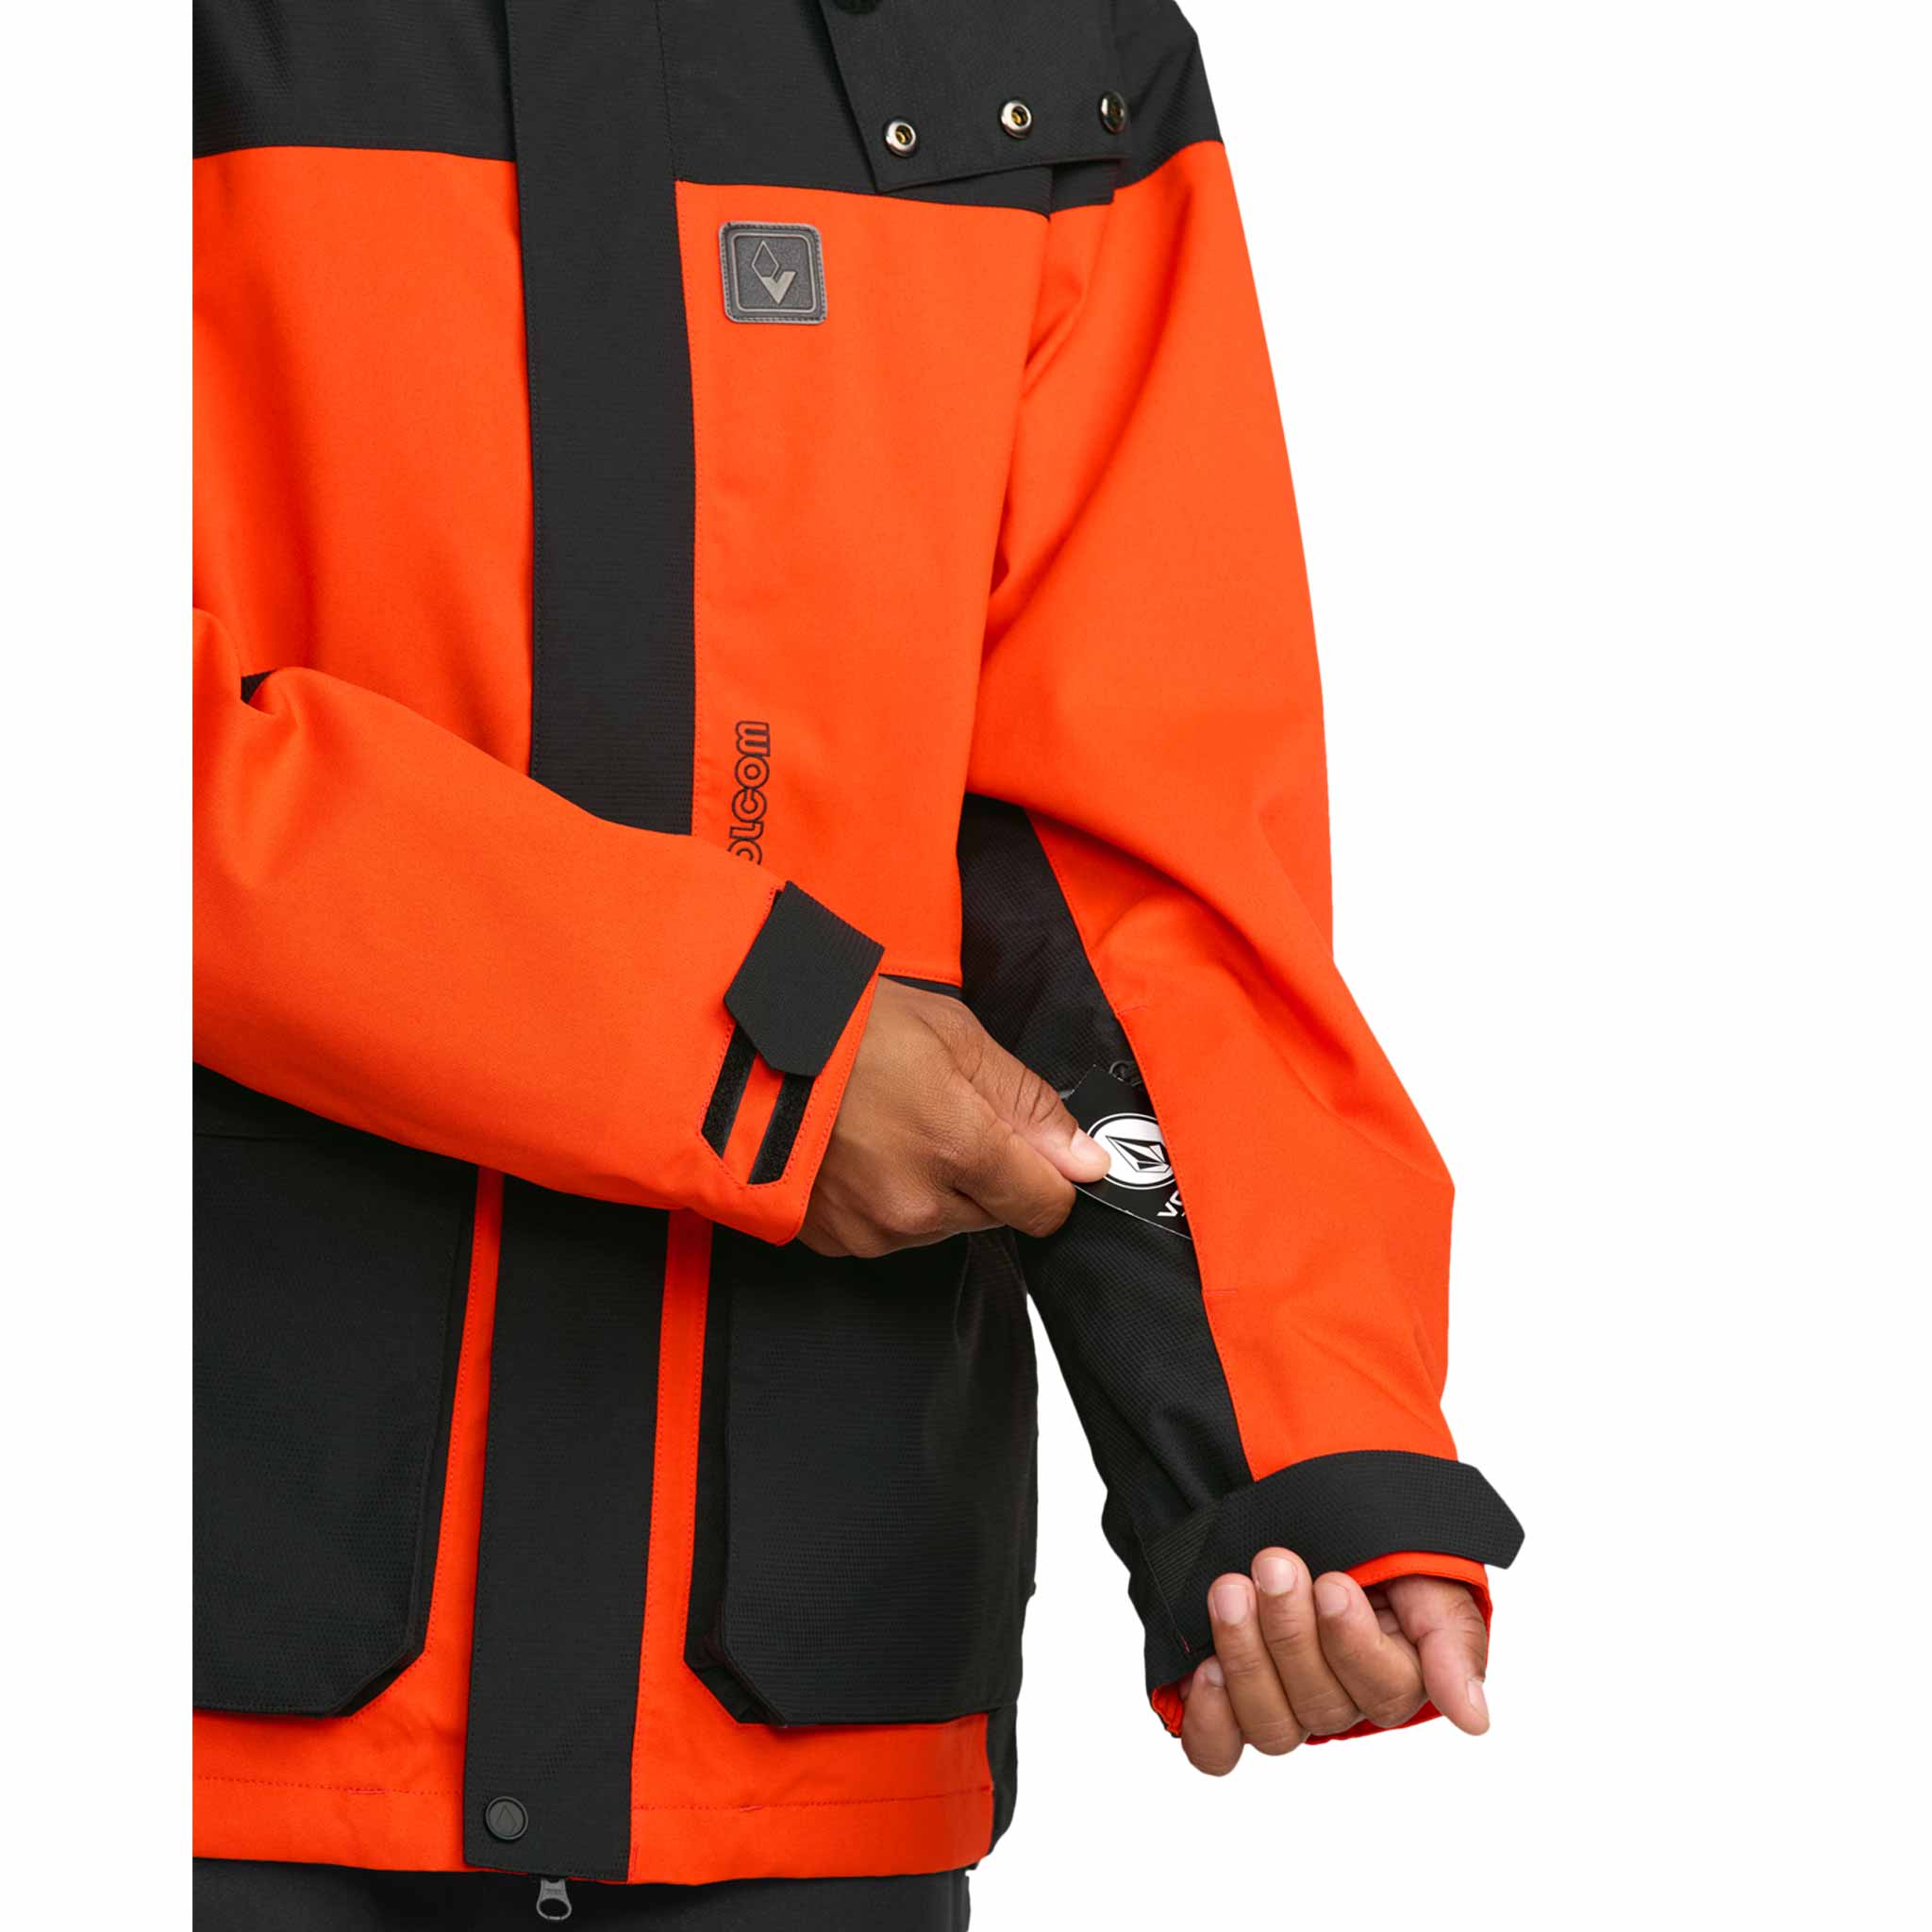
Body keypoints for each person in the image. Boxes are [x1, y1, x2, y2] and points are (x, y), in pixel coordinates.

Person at [192, 0, 1523, 1923]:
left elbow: (1120, 859)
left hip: (800, 1714)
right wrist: (753, 1051)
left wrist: (1292, 1462)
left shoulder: (1052, 42)